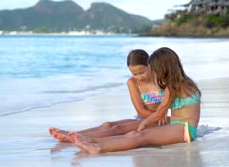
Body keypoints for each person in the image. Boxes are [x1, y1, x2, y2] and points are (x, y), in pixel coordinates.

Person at [70, 47, 201, 154]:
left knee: (140, 136)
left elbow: (160, 113)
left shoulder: (173, 87)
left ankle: (98, 147)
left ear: (164, 69)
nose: (155, 73)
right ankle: (94, 141)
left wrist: (144, 124)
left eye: (156, 70)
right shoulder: (185, 84)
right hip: (179, 127)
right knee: (135, 134)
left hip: (185, 130)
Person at [49, 49, 166, 142]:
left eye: (142, 72)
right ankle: (74, 133)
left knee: (117, 129)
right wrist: (157, 116)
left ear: (150, 65)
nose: (139, 77)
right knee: (108, 124)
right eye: (135, 73)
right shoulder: (133, 82)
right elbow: (140, 111)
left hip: (160, 121)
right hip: (144, 119)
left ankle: (75, 138)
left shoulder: (161, 79)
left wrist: (162, 116)